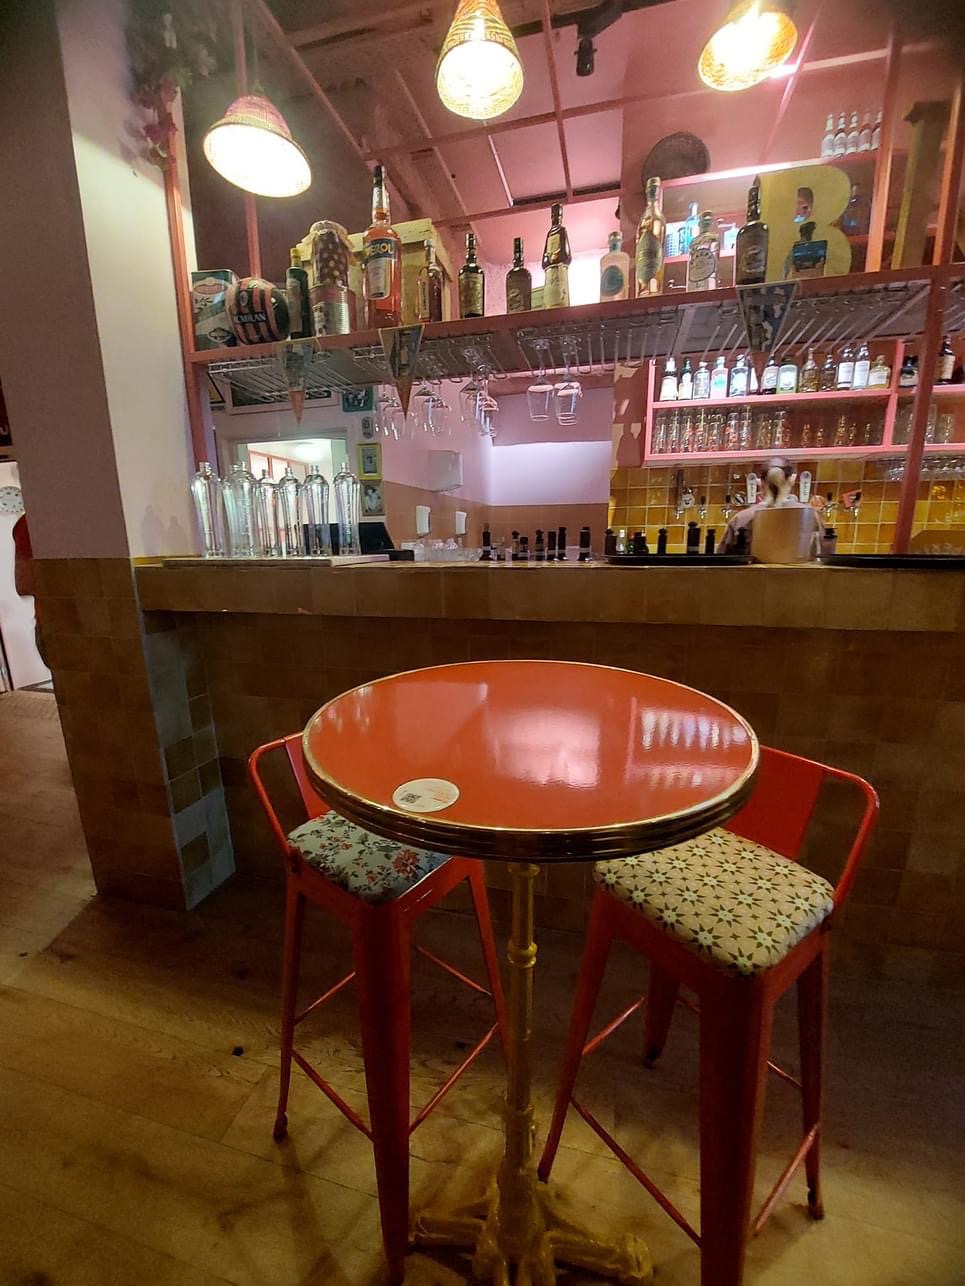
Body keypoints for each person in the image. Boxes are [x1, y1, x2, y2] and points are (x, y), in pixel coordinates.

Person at [717, 458, 822, 556]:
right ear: (791, 481)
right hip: (802, 570)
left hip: (753, 570)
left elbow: (722, 558)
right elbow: (823, 552)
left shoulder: (742, 519)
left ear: (760, 483)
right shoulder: (810, 516)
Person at [13, 511, 47, 666]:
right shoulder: (30, 523)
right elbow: (24, 584)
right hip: (55, 627)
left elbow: (23, 584)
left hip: (52, 626)